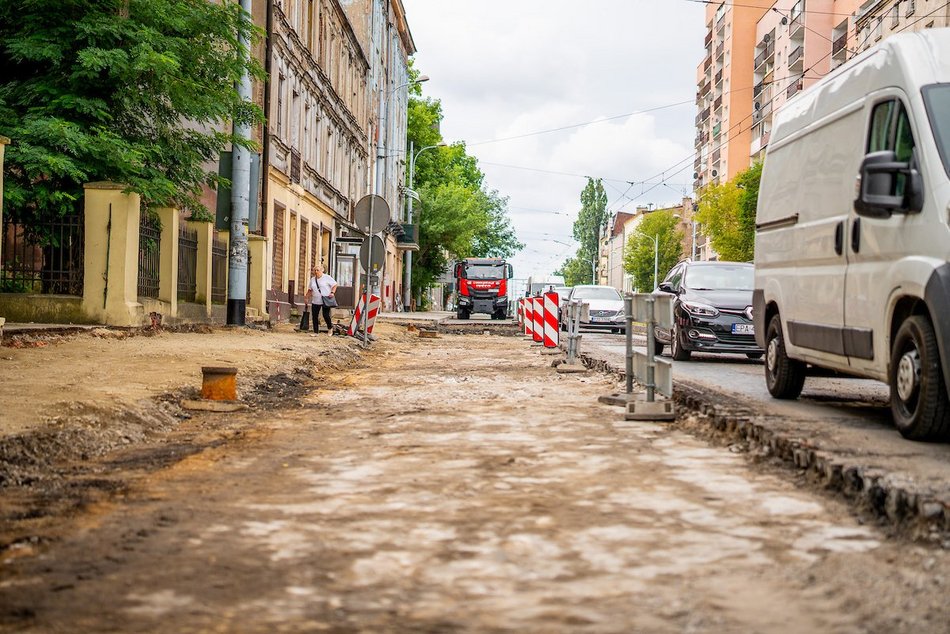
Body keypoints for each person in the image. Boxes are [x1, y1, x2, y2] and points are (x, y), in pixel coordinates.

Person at [304, 264, 338, 335]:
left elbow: (335, 284)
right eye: (315, 270)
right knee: (314, 316)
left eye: (318, 270)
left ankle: (330, 328)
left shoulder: (327, 277)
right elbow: (310, 290)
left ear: (322, 270)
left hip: (325, 299)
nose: (316, 272)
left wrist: (332, 292)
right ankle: (315, 332)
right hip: (315, 300)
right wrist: (306, 297)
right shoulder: (312, 279)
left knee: (325, 315)